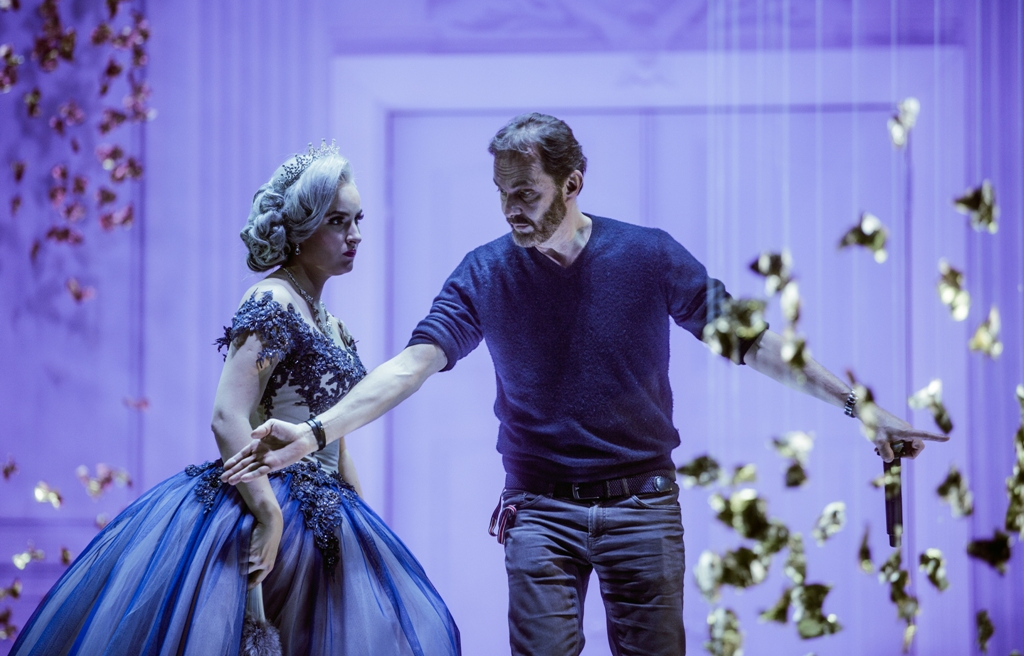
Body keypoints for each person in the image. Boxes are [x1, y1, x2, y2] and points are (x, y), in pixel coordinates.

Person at [220, 115, 949, 656]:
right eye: (503, 192)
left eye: (529, 192)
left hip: (644, 507)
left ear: (572, 184)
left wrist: (857, 404)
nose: (513, 208)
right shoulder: (485, 271)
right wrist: (316, 432)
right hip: (539, 514)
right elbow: (412, 365)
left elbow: (752, 343)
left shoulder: (648, 256)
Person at [10, 142, 461, 656]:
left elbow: (335, 432)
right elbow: (228, 415)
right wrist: (269, 515)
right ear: (301, 226)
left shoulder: (332, 323)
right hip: (269, 500)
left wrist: (359, 512)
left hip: (327, 510)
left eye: (358, 220)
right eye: (339, 221)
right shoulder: (272, 299)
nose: (355, 236)